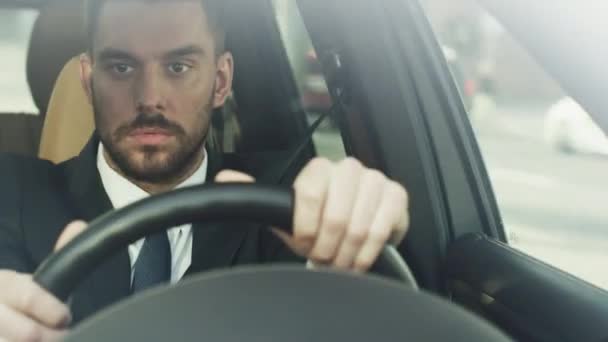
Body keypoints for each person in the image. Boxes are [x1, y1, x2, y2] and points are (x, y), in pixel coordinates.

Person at [0, 0, 409, 340]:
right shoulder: (11, 191)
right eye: (122, 67)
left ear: (220, 80)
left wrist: (352, 234)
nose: (149, 98)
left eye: (178, 67)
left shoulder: (283, 211)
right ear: (89, 82)